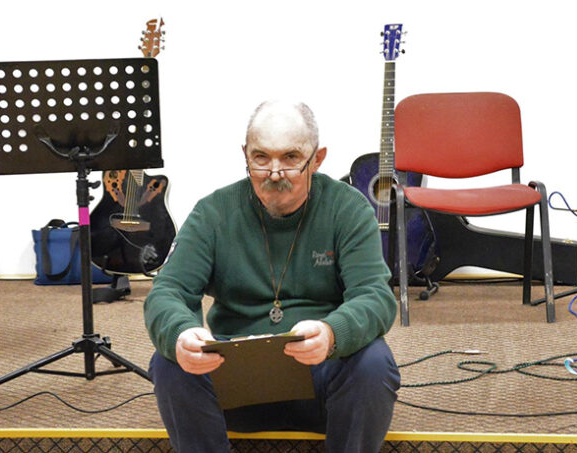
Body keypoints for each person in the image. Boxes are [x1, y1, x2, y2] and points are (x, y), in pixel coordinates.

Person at [144, 100, 401, 452]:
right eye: (261, 158)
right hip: (233, 383)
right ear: (245, 155)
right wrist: (180, 334)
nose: (275, 172)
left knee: (374, 362)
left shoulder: (348, 208)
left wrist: (332, 333)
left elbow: (375, 296)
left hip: (323, 381)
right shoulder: (213, 212)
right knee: (168, 361)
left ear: (318, 159)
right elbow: (168, 291)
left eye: (291, 157)